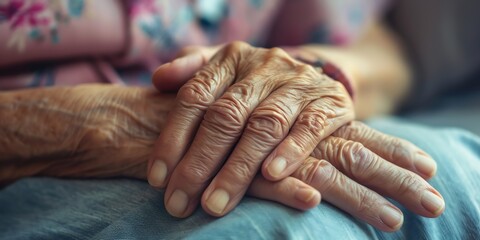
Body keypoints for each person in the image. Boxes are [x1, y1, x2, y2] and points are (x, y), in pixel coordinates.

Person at [0, 0, 478, 239]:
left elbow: (387, 45)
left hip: (236, 120)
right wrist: (83, 126)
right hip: (32, 167)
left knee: (445, 175)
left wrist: (314, 75)